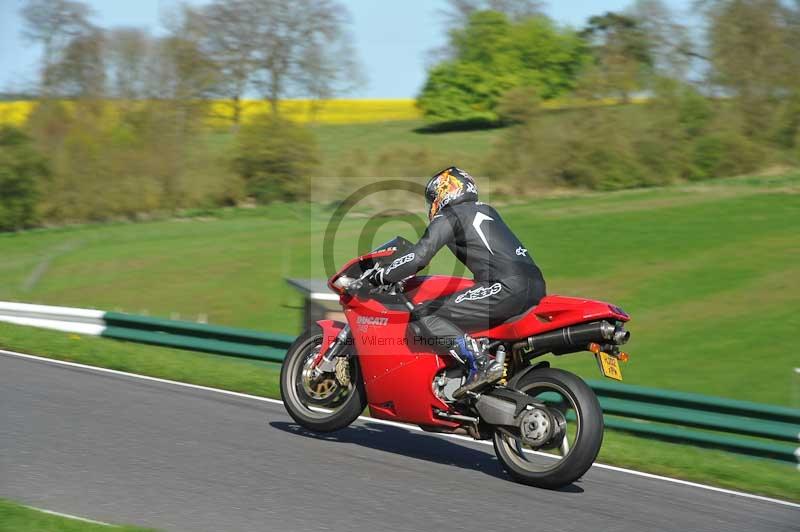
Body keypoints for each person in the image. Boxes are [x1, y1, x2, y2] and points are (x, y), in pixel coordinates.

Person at [369, 166, 546, 397]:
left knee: (424, 314)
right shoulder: (487, 210)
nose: (432, 205)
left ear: (445, 192)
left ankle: (480, 363)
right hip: (535, 284)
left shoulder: (451, 214)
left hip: (505, 287)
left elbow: (420, 255)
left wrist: (384, 274)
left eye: (433, 199)